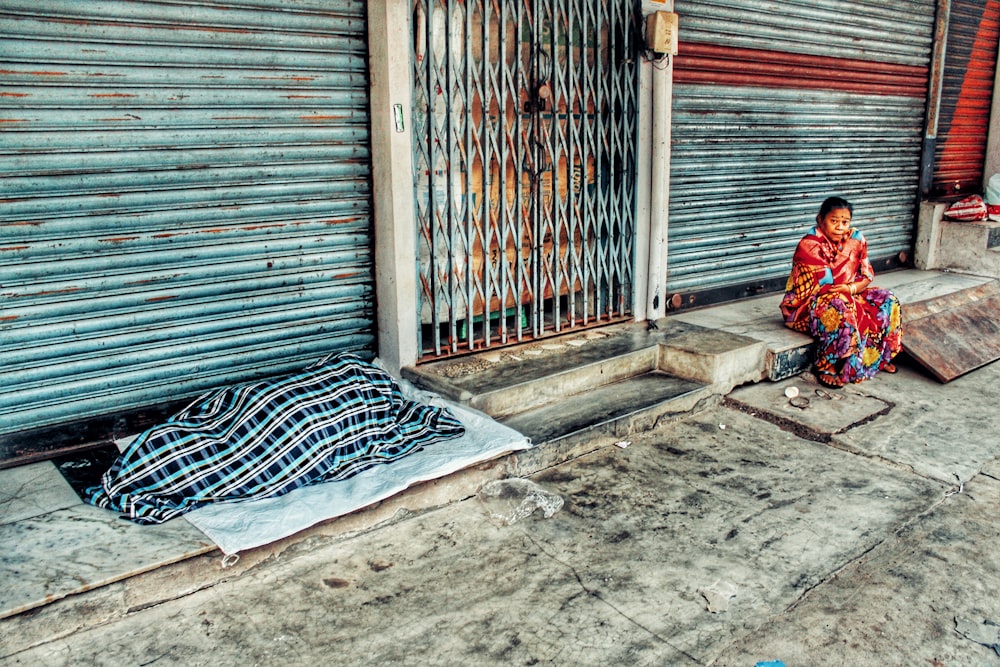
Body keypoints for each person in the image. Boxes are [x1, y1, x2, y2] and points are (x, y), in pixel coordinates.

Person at [780, 196, 903, 388]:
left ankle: (877, 358)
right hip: (809, 304)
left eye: (845, 222)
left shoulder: (856, 239)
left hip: (848, 292)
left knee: (887, 300)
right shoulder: (809, 245)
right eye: (834, 221)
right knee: (839, 305)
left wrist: (852, 289)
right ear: (821, 220)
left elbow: (866, 274)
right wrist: (849, 292)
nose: (840, 227)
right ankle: (826, 364)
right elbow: (827, 286)